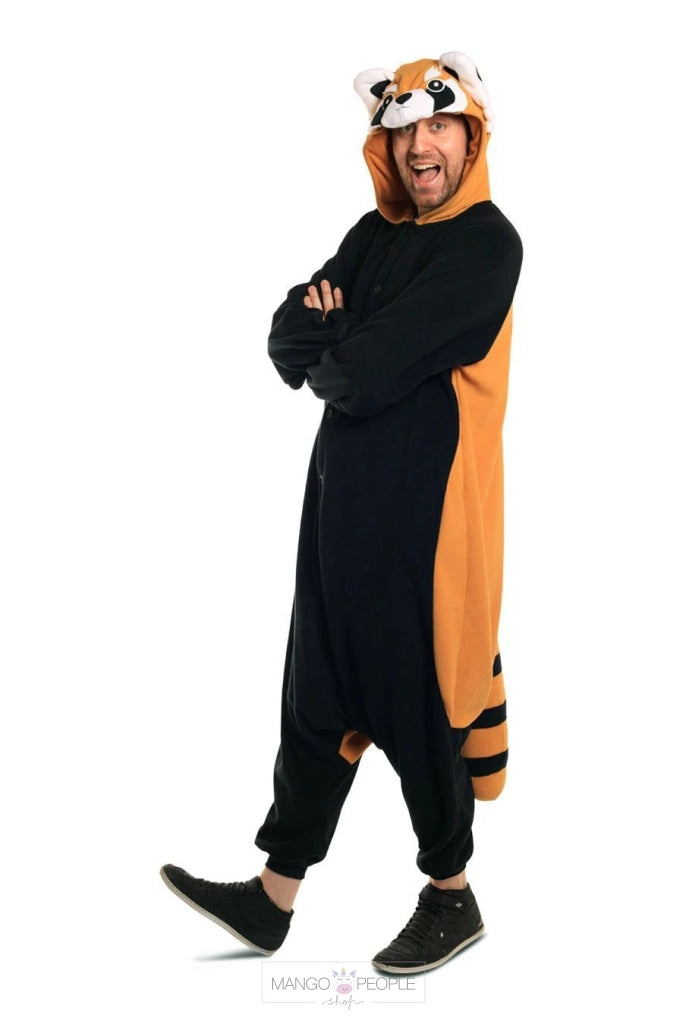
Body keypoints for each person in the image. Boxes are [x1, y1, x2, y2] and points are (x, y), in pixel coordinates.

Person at [160, 50, 523, 975]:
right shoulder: (371, 236)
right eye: (402, 133)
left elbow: (357, 373)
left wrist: (340, 334)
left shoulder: (487, 245)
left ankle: (451, 894)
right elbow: (286, 337)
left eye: (437, 127)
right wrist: (333, 336)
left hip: (426, 527)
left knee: (416, 700)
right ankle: (273, 896)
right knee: (314, 698)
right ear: (384, 147)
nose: (418, 146)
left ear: (469, 137)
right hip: (336, 514)